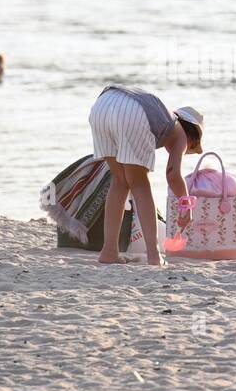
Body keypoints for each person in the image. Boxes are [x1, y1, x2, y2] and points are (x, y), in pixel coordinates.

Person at [87, 85, 203, 266]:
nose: (186, 151)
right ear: (192, 136)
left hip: (102, 105)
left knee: (119, 182)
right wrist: (186, 205)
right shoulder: (179, 131)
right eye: (191, 148)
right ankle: (154, 255)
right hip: (131, 112)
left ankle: (109, 252)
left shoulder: (163, 121)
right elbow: (172, 174)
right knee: (140, 184)